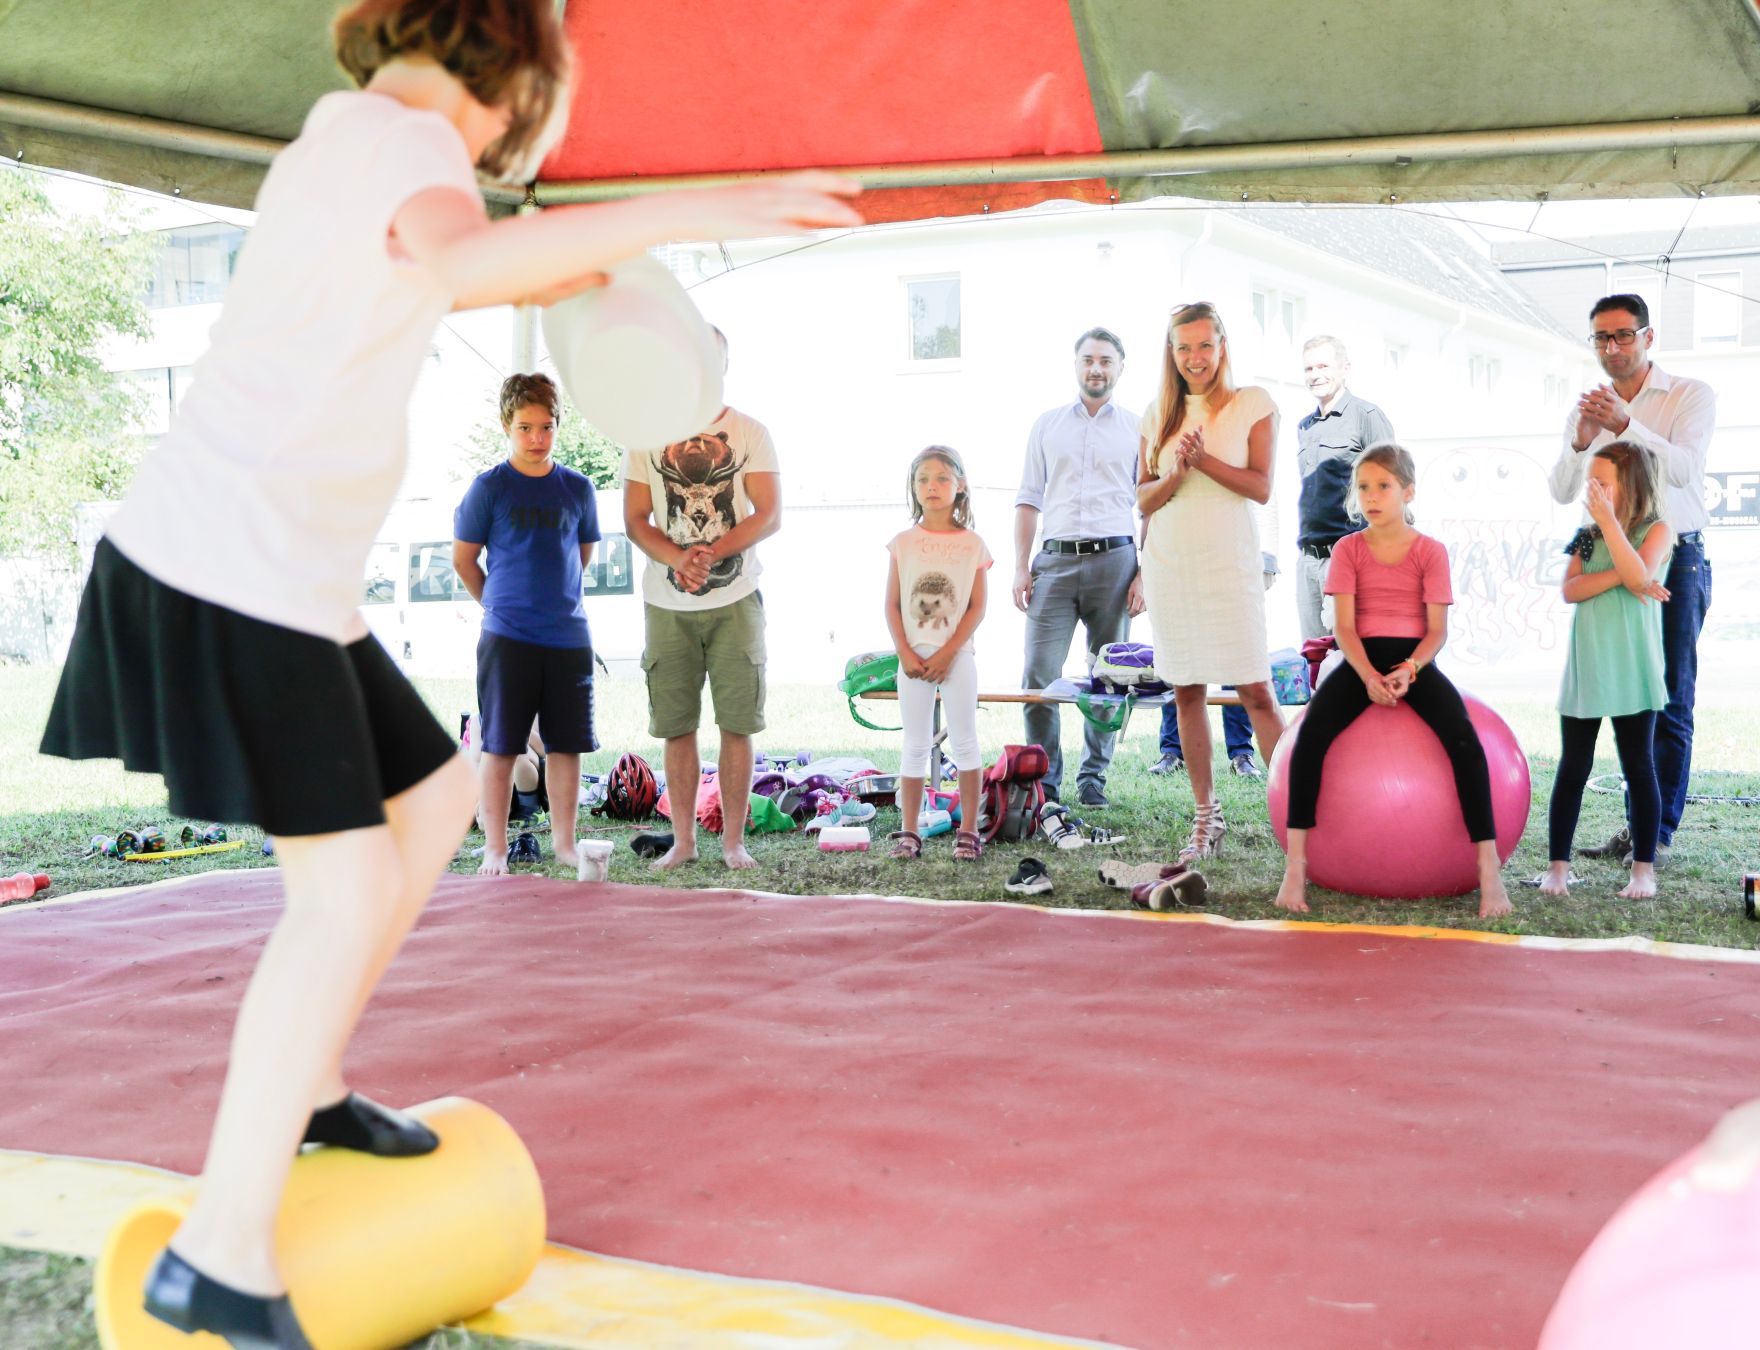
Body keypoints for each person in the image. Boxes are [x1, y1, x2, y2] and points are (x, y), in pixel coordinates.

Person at [36, 1, 861, 1342]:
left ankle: (309, 1090)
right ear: (506, 81)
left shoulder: (348, 138)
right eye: (520, 126)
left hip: (272, 574)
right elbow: (470, 256)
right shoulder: (394, 140)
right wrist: (705, 203)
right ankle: (222, 1249)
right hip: (230, 567)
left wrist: (595, 269)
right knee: (346, 885)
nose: (498, 151)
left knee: (424, 805)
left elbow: (482, 260)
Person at [1273, 444, 1513, 919]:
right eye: (1364, 487)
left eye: (1383, 486)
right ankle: (1295, 868)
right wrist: (1366, 677)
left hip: (1415, 663)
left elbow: (1437, 631)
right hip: (1361, 660)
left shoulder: (1430, 551)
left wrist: (1409, 670)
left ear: (1408, 492)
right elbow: (1343, 628)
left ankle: (1489, 873)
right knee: (1310, 739)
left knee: (1465, 742)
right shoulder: (1347, 549)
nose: (1372, 497)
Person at [1549, 294, 1715, 867]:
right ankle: (1637, 829)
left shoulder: (1688, 394)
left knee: (1665, 695)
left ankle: (1656, 834)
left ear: (1649, 336)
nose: (1611, 348)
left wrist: (1628, 426)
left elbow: (1686, 470)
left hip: (1675, 554)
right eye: (1600, 338)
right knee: (1607, 696)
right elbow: (1562, 489)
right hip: (1601, 555)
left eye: (1622, 335)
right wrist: (1581, 440)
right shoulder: (1587, 406)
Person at [623, 328, 783, 873]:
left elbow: (768, 513)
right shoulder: (645, 434)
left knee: (737, 723)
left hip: (736, 599)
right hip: (667, 605)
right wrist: (677, 559)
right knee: (677, 726)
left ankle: (733, 842)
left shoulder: (750, 432)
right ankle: (684, 841)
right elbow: (634, 519)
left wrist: (707, 554)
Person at [1137, 301, 1285, 861]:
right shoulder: (1157, 413)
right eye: (1184, 347)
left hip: (1229, 563)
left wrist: (1202, 464)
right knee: (1187, 689)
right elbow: (1144, 497)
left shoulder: (1253, 404)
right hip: (1172, 562)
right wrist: (1176, 470)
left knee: (1255, 690)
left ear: (1222, 346)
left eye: (1204, 344)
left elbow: (1261, 486)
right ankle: (1206, 817)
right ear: (1171, 354)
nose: (1195, 357)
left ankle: (1297, 814)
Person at [454, 372, 596, 876]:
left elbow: (581, 555)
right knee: (499, 745)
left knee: (566, 745)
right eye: (525, 427)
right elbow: (464, 561)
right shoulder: (488, 488)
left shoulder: (578, 488)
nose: (537, 438)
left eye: (547, 426)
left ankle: (564, 843)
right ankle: (495, 847)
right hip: (507, 638)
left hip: (568, 638)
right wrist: (497, 604)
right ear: (506, 426)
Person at [1013, 327, 1143, 809]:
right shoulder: (1047, 425)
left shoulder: (1137, 428)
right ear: (1076, 365)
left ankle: (1094, 778)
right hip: (1055, 561)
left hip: (1116, 560)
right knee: (1037, 675)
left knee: (1109, 676)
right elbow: (1028, 499)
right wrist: (1020, 567)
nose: (1096, 369)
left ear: (1120, 368)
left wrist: (1143, 573)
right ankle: (1043, 781)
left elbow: (1150, 507)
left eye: (1106, 361)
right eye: (1088, 359)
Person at [1539, 442, 1673, 901]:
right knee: (1573, 765)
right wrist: (1626, 575)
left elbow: (1643, 575)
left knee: (1639, 766)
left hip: (1632, 668)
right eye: (1589, 481)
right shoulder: (1585, 534)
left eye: (1603, 483)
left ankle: (1643, 871)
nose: (1592, 490)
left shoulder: (1659, 530)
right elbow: (1572, 590)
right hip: (1589, 666)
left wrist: (1626, 558)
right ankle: (1558, 867)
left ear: (1631, 485)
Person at [885, 446, 991, 861]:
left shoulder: (973, 545)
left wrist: (949, 652)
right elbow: (892, 605)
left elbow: (977, 606)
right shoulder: (903, 543)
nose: (932, 487)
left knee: (965, 740)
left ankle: (969, 830)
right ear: (913, 487)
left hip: (957, 656)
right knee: (914, 744)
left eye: (942, 478)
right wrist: (905, 653)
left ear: (960, 485)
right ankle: (909, 831)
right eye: (923, 479)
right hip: (912, 656)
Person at [1294, 336, 1395, 640]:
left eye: (1323, 366)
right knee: (1313, 657)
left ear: (1345, 368)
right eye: (1309, 368)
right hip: (1309, 558)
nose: (1315, 374)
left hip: (1350, 555)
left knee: (1354, 656)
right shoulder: (1305, 426)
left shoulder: (1366, 417)